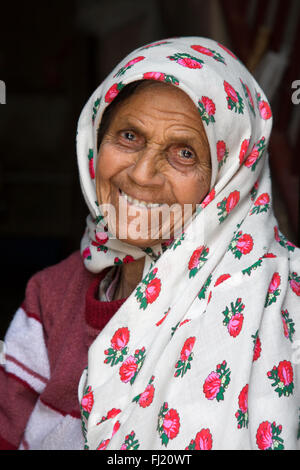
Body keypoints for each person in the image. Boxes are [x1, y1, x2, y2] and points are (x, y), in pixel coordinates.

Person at [1, 37, 299, 451]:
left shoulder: (281, 304)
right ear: (96, 139)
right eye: (128, 135)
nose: (142, 174)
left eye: (183, 153)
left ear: (229, 178)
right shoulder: (52, 295)